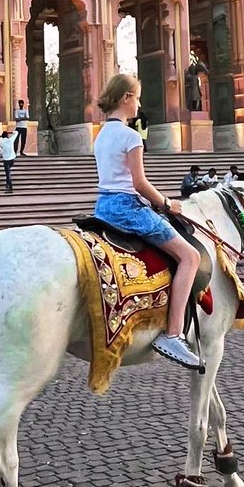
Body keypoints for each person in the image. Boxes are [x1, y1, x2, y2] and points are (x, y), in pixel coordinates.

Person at [92, 73, 200, 369]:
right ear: (126, 98)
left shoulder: (101, 135)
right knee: (190, 256)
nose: (139, 103)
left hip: (104, 207)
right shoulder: (130, 136)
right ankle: (173, 334)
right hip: (129, 209)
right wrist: (167, 203)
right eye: (137, 97)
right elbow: (139, 183)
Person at [0, 128, 17, 192]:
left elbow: (0, 142)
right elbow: (16, 132)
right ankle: (7, 184)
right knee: (8, 172)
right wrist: (10, 132)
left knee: (7, 173)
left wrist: (0, 137)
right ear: (7, 136)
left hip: (6, 160)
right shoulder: (11, 140)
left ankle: (10, 188)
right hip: (12, 159)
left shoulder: (1, 142)